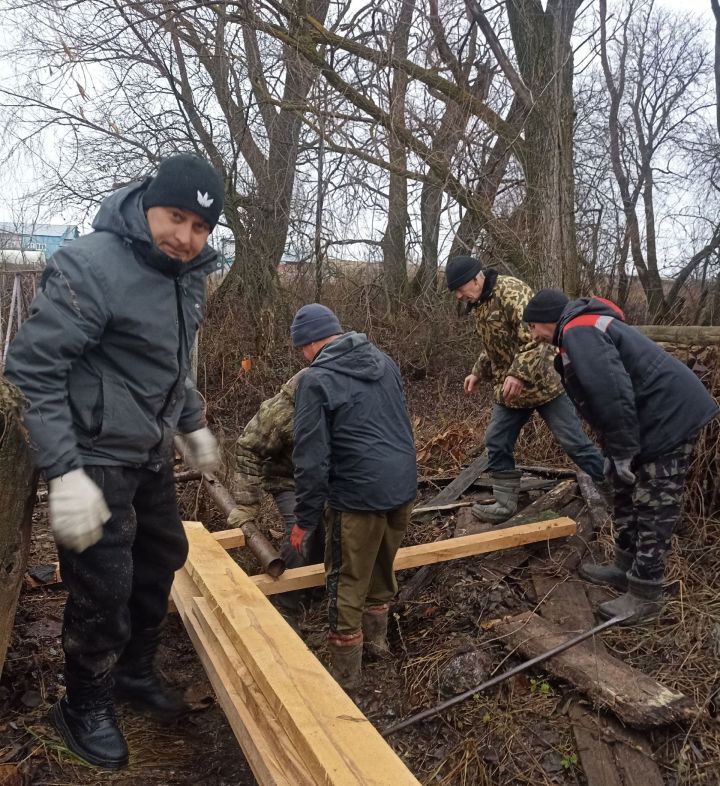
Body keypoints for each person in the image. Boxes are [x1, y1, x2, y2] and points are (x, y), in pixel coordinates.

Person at [4, 153, 225, 769]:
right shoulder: (91, 266)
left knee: (162, 558)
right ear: (148, 203)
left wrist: (192, 424)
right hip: (92, 452)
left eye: (200, 228)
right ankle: (84, 702)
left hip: (147, 449)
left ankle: (132, 672)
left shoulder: (188, 275)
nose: (185, 237)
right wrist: (65, 473)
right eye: (176, 217)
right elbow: (31, 371)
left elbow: (169, 366)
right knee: (104, 586)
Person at [523, 289, 718, 624]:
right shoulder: (578, 332)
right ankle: (624, 567)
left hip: (671, 417)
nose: (532, 335)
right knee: (623, 487)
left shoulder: (578, 330)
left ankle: (645, 596)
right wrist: (616, 450)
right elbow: (604, 402)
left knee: (655, 503)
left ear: (545, 320)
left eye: (532, 327)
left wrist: (624, 450)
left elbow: (612, 392)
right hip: (646, 420)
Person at [288, 304, 417, 690]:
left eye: (301, 350)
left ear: (310, 344)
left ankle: (347, 677)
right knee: (381, 567)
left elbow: (311, 459)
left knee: (344, 579)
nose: (302, 357)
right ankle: (377, 643)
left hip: (357, 495)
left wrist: (304, 519)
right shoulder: (384, 360)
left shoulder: (315, 380)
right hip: (402, 487)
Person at [445, 256, 606, 523]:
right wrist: (477, 371)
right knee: (496, 441)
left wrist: (519, 374)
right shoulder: (480, 304)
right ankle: (505, 502)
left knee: (574, 443)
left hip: (545, 386)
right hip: (510, 392)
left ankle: (617, 489)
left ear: (476, 278)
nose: (460, 296)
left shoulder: (512, 292)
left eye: (461, 289)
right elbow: (494, 346)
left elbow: (538, 339)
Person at [226, 370, 323, 628]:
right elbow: (247, 447)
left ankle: (317, 594)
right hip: (288, 480)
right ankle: (287, 605)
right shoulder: (279, 411)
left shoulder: (341, 395)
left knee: (332, 528)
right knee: (300, 531)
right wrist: (247, 503)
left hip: (323, 478)